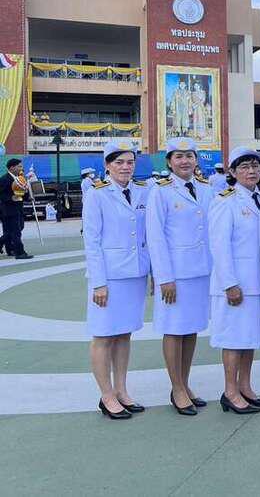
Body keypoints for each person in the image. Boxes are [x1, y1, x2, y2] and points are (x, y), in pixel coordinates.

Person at [83, 141, 150, 419]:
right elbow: (92, 241)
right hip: (109, 278)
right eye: (119, 162)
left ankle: (121, 390)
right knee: (103, 336)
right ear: (107, 165)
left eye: (130, 162)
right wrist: (99, 282)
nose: (125, 167)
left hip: (135, 274)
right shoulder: (96, 194)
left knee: (124, 334)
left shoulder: (143, 191)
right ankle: (106, 395)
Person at [146, 137, 213, 416]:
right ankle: (176, 389)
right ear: (169, 162)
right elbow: (155, 237)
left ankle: (185, 383)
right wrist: (164, 277)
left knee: (191, 328)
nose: (185, 161)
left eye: (189, 156)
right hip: (175, 274)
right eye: (178, 156)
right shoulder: (159, 192)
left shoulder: (207, 189)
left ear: (196, 160)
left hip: (201, 271)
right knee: (174, 330)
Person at [209, 146, 260, 415]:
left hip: (257, 283)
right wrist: (229, 284)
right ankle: (230, 391)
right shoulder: (225, 201)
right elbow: (219, 246)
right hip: (236, 284)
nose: (251, 171)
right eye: (244, 167)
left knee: (249, 337)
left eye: (255, 166)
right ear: (232, 172)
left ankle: (245, 386)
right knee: (233, 338)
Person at [0, 159, 33, 259]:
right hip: (8, 209)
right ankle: (19, 252)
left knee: (15, 229)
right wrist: (10, 198)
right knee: (16, 232)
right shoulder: (4, 179)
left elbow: (22, 193)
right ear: (12, 168)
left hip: (18, 208)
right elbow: (2, 194)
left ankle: (9, 249)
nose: (21, 168)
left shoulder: (20, 179)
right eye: (19, 166)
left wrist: (28, 195)